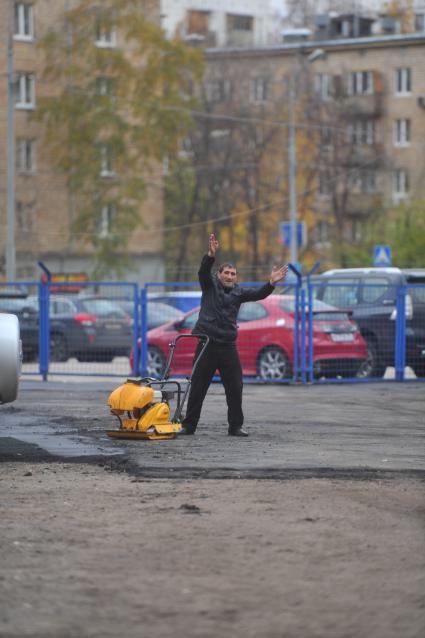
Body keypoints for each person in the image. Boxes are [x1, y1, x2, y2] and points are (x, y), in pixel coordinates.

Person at [181, 233, 288, 437]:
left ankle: (235, 426)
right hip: (207, 345)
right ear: (219, 274)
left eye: (233, 274)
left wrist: (271, 283)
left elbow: (258, 294)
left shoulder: (239, 293)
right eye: (227, 273)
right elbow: (203, 272)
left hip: (227, 347)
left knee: (235, 387)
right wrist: (210, 255)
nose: (230, 276)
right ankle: (189, 425)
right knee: (198, 387)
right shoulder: (209, 286)